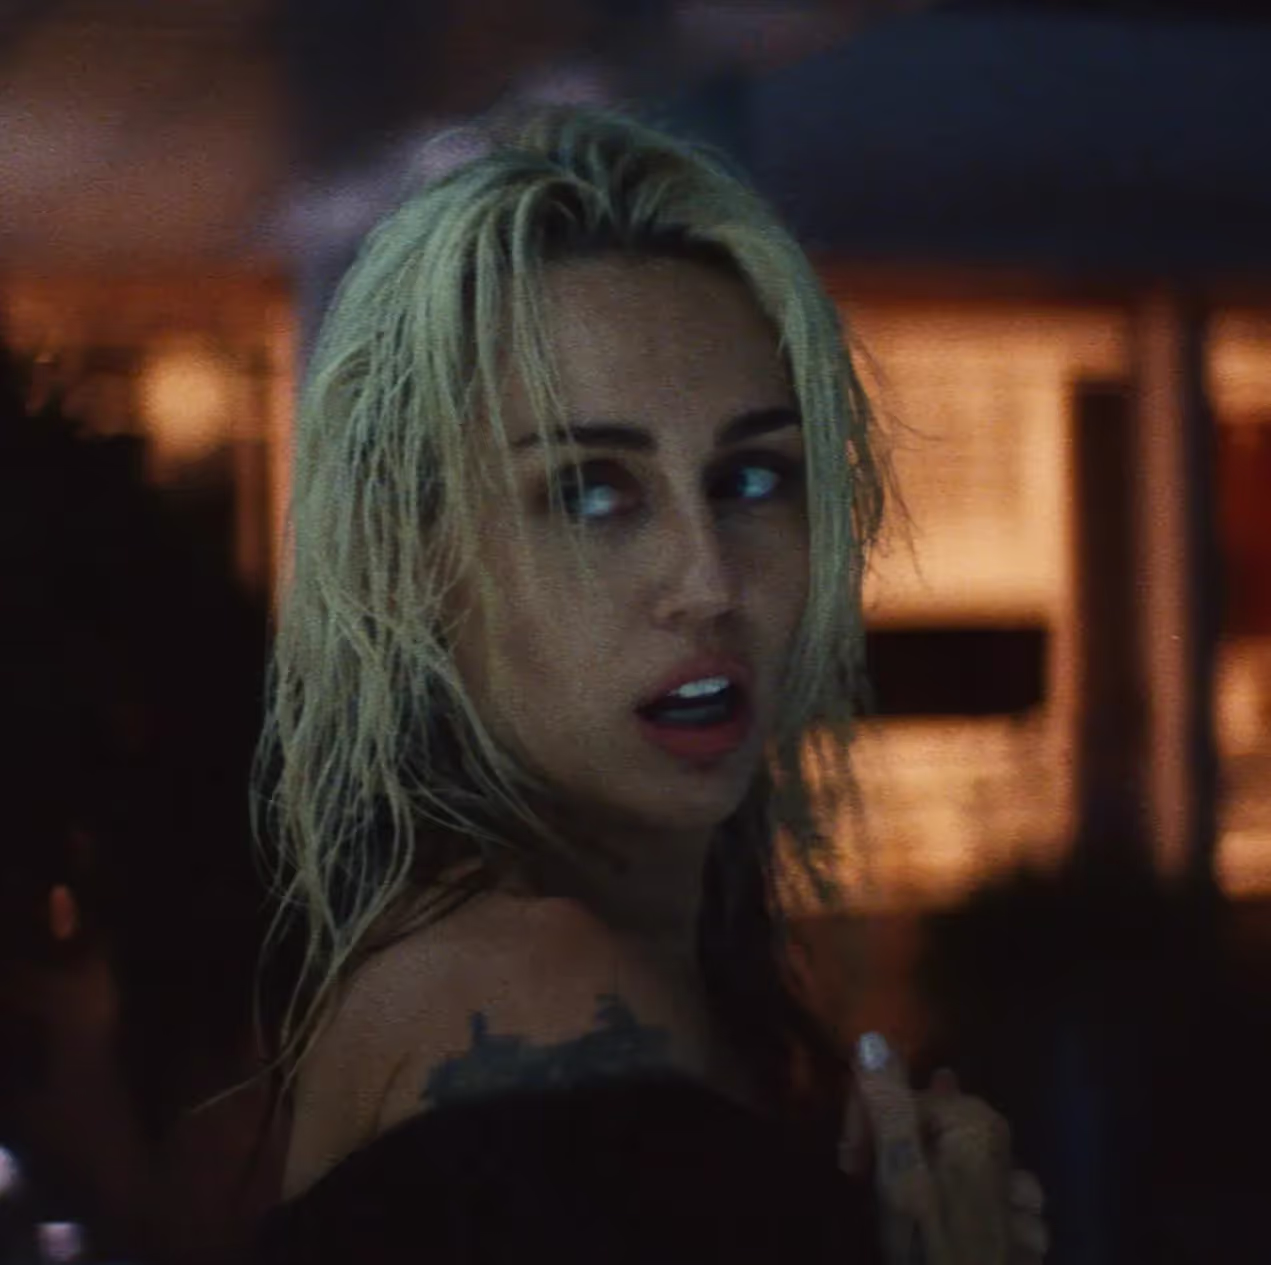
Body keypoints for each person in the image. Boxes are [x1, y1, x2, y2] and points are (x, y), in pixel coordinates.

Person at [249, 105, 1049, 1263]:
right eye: (590, 492)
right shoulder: (536, 1007)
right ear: (412, 559)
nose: (707, 581)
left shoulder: (578, 977)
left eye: (751, 477)